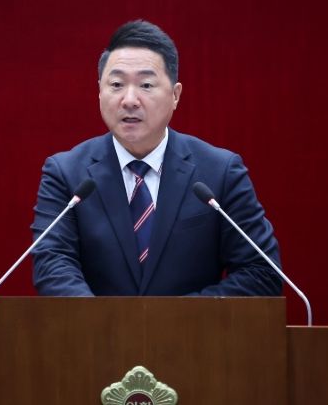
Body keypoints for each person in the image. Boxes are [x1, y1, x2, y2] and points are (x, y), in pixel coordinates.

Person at [31, 20, 282, 296]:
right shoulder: (66, 174)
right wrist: (102, 320)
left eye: (146, 85)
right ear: (100, 92)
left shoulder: (220, 172)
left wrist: (174, 318)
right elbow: (52, 265)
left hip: (194, 325)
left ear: (175, 95)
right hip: (94, 325)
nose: (129, 100)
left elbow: (262, 272)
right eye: (116, 84)